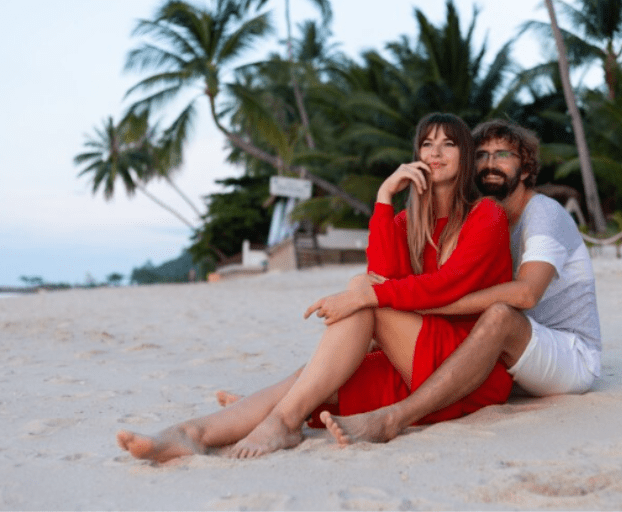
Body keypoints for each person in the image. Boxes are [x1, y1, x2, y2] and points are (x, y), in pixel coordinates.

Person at [116, 113, 513, 462]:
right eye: (427, 143)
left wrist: (363, 294)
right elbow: (384, 276)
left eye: (448, 143)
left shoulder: (487, 215)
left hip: (465, 368)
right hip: (410, 359)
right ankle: (190, 434)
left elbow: (444, 287)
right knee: (313, 380)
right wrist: (383, 196)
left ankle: (284, 424)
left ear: (465, 155)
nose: (435, 152)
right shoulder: (405, 224)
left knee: (361, 297)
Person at [319, 119, 602, 446]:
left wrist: (424, 304)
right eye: (481, 155)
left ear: (525, 169)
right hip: (511, 355)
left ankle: (397, 417)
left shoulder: (543, 213)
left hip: (569, 354)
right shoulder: (487, 217)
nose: (490, 164)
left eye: (503, 155)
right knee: (367, 330)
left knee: (498, 315)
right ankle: (281, 406)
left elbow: (525, 294)